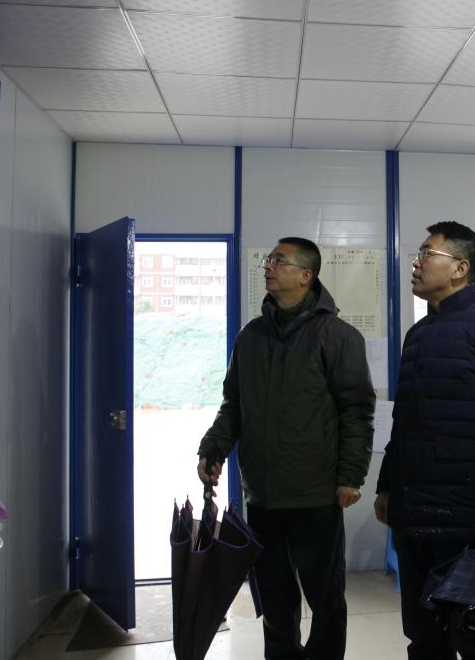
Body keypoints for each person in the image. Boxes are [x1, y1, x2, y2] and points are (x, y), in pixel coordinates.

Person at [196, 236, 375, 660]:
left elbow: (356, 411)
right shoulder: (251, 337)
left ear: (306, 275)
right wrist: (214, 447)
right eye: (268, 259)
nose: (268, 266)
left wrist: (351, 476)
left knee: (325, 598)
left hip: (316, 496)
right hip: (263, 496)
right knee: (275, 599)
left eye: (279, 260)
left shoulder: (338, 336)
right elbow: (233, 404)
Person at [374, 221, 475, 660]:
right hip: (413, 513)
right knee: (423, 637)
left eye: (427, 254)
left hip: (464, 519)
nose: (416, 263)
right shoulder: (418, 334)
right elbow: (405, 422)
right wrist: (387, 487)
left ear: (461, 268)